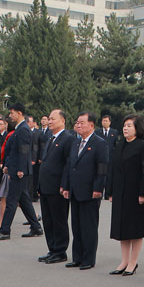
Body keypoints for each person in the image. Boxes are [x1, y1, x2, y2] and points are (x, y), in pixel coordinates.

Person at [61, 112, 109, 269]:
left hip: (90, 191)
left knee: (88, 227)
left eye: (82, 122)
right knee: (76, 226)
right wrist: (66, 186)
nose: (78, 125)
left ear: (91, 125)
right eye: (77, 122)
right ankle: (77, 257)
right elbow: (69, 166)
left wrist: (98, 188)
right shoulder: (75, 142)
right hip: (75, 190)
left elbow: (102, 168)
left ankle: (88, 259)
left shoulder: (99, 143)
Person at [106, 114, 144, 276]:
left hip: (135, 192)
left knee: (135, 228)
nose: (126, 128)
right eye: (124, 125)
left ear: (137, 128)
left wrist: (143, 193)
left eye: (130, 126)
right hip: (120, 192)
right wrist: (110, 191)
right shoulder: (119, 145)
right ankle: (124, 261)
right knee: (122, 227)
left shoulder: (143, 146)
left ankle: (133, 262)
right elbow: (112, 168)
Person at [0, 103, 43, 240]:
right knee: (23, 200)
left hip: (20, 171)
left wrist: (20, 169)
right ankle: (36, 227)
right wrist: (8, 165)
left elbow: (24, 151)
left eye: (12, 113)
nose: (10, 115)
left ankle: (5, 231)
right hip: (15, 168)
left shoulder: (23, 129)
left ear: (19, 113)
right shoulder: (19, 128)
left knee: (11, 201)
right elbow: (13, 150)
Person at [37, 109, 74, 264]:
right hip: (46, 186)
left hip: (57, 187)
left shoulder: (68, 139)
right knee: (48, 220)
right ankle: (52, 248)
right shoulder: (50, 138)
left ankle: (60, 250)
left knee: (58, 219)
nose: (50, 121)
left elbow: (68, 164)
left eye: (53, 119)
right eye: (49, 119)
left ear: (63, 121)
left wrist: (64, 185)